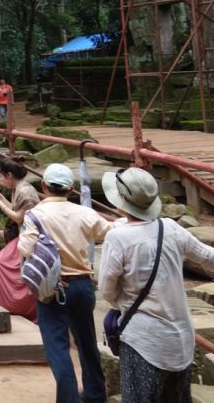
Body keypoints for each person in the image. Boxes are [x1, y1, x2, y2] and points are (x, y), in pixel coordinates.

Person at [98, 167, 214, 403]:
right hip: (180, 341)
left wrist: (123, 300)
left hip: (143, 341)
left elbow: (107, 290)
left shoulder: (118, 238)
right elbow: (207, 255)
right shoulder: (170, 227)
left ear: (121, 201)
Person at [19, 163, 114, 403]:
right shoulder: (84, 213)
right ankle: (95, 394)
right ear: (71, 189)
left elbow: (25, 248)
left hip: (53, 288)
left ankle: (70, 398)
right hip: (82, 285)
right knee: (87, 341)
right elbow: (108, 232)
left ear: (43, 186)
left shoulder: (35, 215)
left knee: (58, 346)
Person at [0, 157, 41, 321]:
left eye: (1, 177)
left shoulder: (25, 191)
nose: (1, 180)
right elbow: (15, 209)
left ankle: (10, 305)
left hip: (30, 238)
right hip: (22, 236)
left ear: (8, 175)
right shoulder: (19, 187)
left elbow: (18, 217)